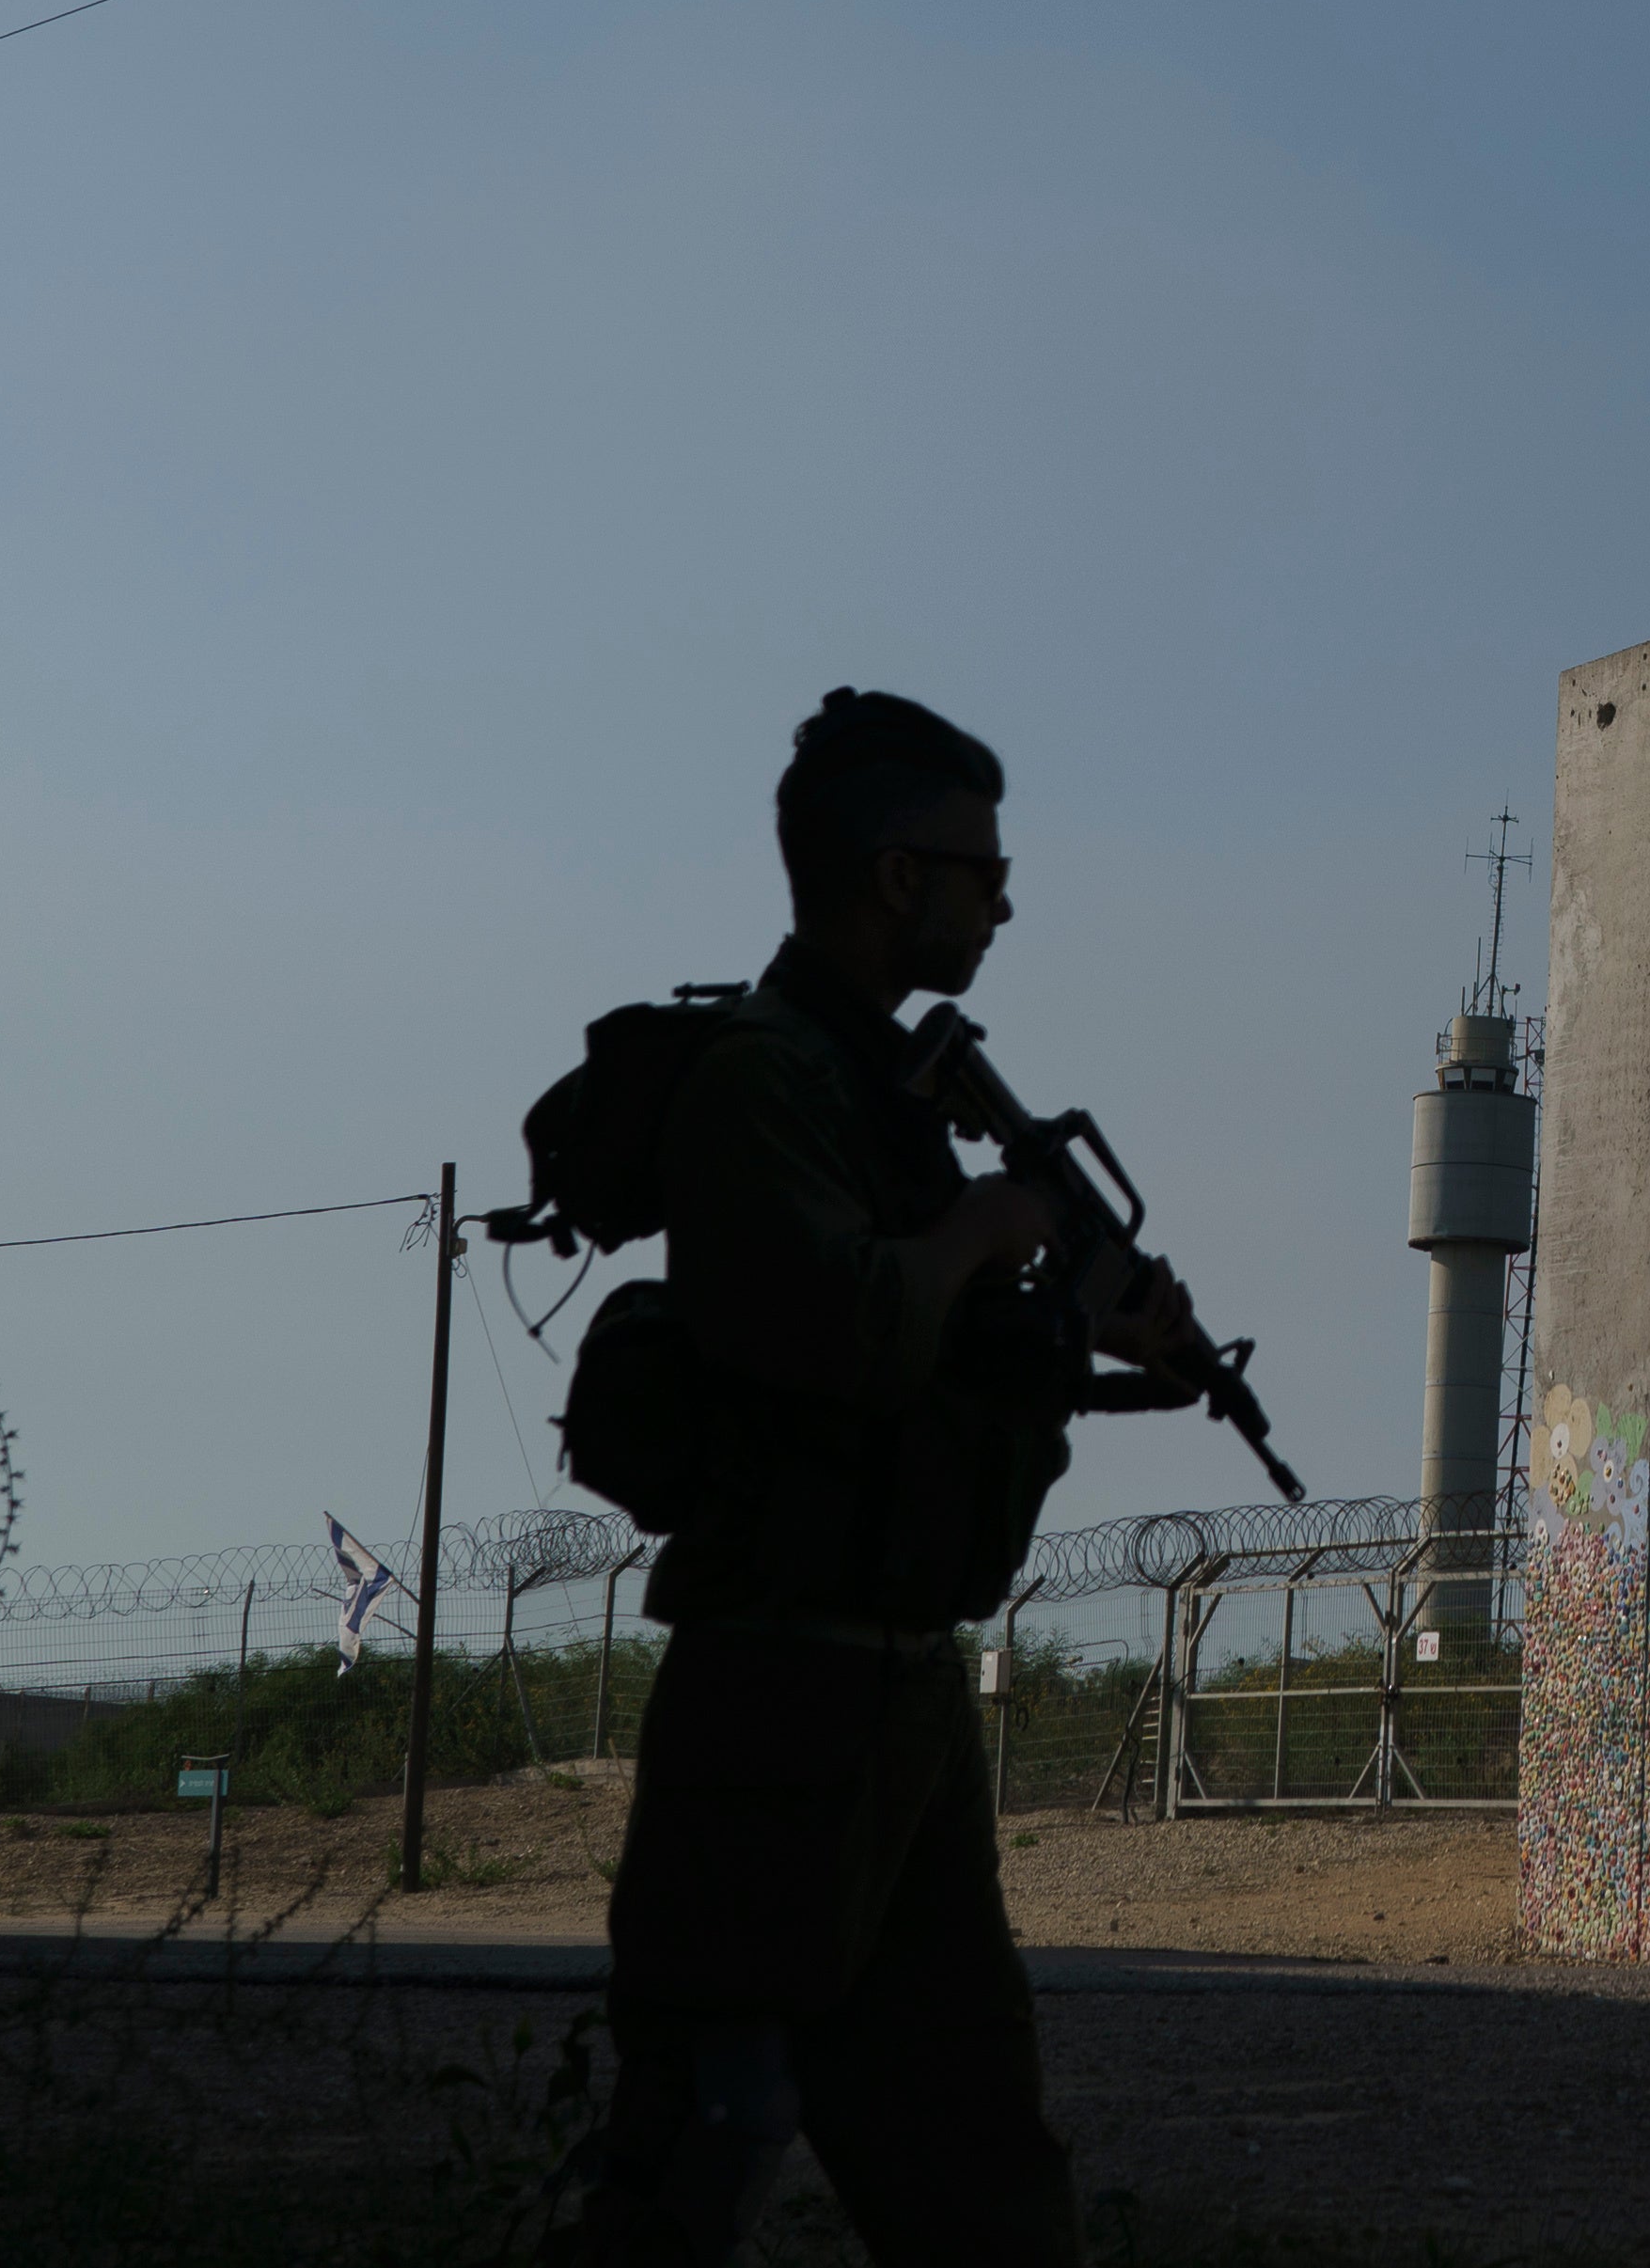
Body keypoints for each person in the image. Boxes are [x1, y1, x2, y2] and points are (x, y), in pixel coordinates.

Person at [561, 688, 1184, 2265]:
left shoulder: (889, 1099)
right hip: (777, 1687)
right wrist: (990, 1228)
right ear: (896, 875)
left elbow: (937, 1388)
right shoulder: (765, 1081)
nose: (1005, 897)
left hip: (901, 1692)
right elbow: (837, 1337)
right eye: (981, 865)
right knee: (711, 2126)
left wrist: (1091, 1342)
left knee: (977, 2165)